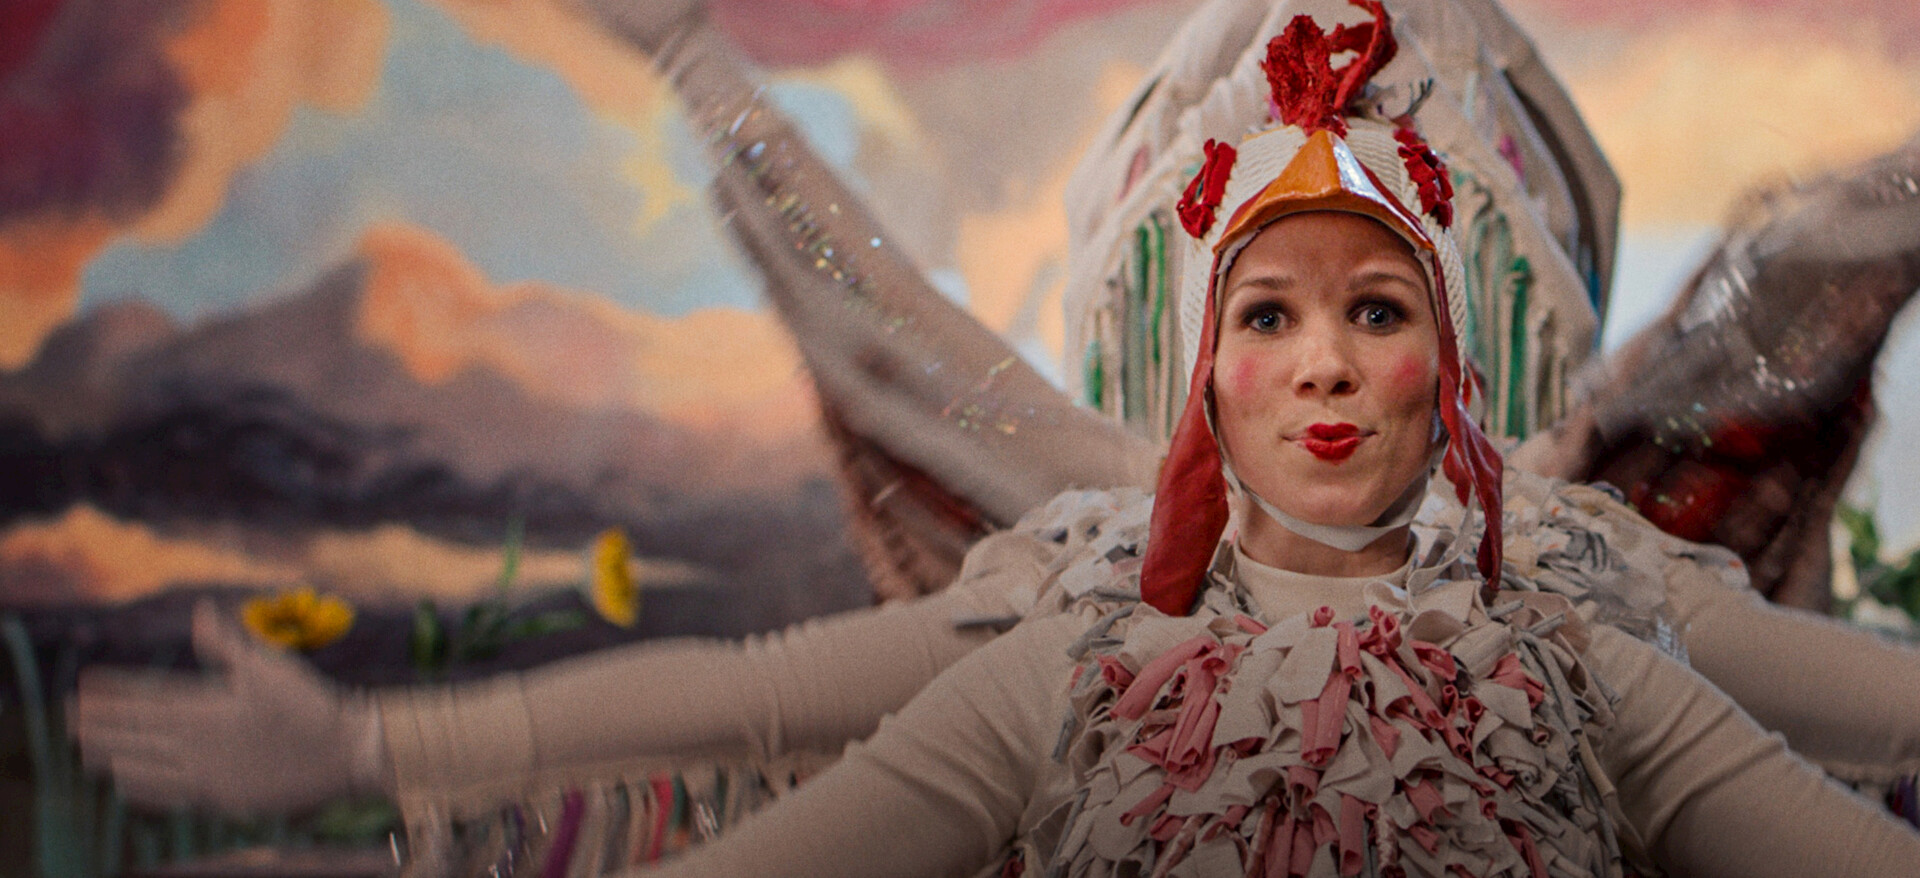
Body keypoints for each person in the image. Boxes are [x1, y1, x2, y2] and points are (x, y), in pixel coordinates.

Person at [74, 0, 1920, 874]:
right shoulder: (1084, 631)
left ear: (1447, 365)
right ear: (1204, 372)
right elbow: (758, 704)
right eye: (1268, 317)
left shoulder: (1582, 624)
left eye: (1378, 312)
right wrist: (359, 751)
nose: (1325, 368)